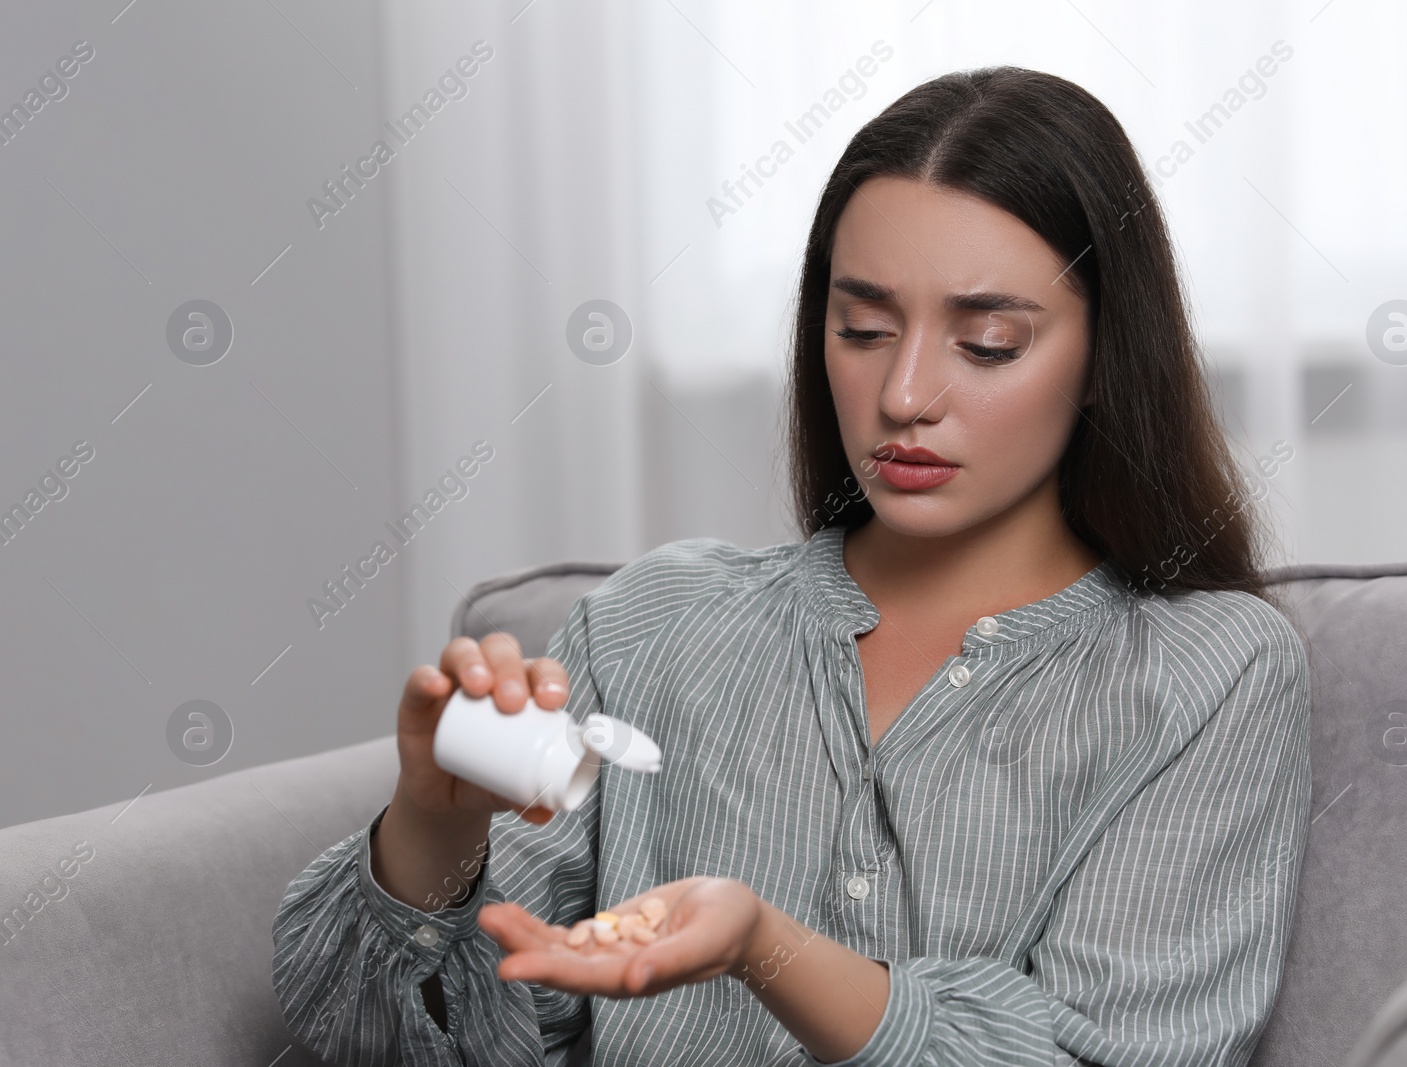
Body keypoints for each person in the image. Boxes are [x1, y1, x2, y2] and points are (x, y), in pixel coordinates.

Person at [273, 65, 1311, 1067]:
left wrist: (770, 951)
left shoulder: (1206, 673)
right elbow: (384, 1039)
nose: (904, 392)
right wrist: (434, 831)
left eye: (987, 341)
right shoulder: (653, 623)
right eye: (862, 327)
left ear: (1104, 358)